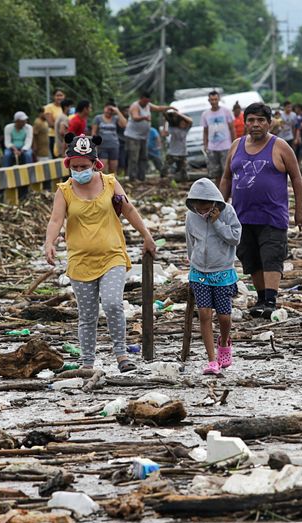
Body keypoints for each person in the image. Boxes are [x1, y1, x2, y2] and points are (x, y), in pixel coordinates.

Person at [44, 133, 157, 372]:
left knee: (113, 303)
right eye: (74, 167)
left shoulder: (110, 183)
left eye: (84, 166)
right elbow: (55, 220)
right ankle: (87, 362)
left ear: (95, 164)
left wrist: (147, 236)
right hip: (80, 261)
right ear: (68, 166)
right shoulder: (64, 191)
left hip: (112, 256)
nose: (79, 170)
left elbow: (129, 209)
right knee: (87, 314)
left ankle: (121, 356)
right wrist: (49, 242)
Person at [219, 103, 302, 318]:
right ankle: (260, 298)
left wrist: (300, 209)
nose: (255, 124)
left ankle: (270, 300)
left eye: (260, 120)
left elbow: (296, 178)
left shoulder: (280, 146)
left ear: (269, 123)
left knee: (271, 256)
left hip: (272, 215)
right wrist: (219, 207)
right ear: (245, 123)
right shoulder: (236, 146)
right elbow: (226, 178)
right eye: (251, 120)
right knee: (250, 258)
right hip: (241, 216)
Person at [185, 178, 242, 375]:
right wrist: (193, 261)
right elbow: (190, 242)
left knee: (224, 317)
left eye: (206, 207)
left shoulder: (228, 213)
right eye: (199, 208)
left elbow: (235, 238)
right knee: (204, 315)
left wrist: (217, 223)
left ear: (214, 203)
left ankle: (224, 343)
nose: (203, 212)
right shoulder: (191, 217)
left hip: (223, 271)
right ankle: (211, 360)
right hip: (199, 272)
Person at [125, 91, 175, 181]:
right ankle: (132, 177)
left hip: (143, 136)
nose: (146, 103)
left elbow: (159, 108)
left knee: (143, 157)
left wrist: (169, 107)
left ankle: (142, 177)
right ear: (141, 99)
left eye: (148, 101)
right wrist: (144, 118)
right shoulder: (135, 106)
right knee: (134, 157)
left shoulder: (148, 105)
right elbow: (135, 117)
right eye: (145, 101)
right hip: (133, 136)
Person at [201, 91, 236, 181]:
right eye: (212, 100)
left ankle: (229, 193)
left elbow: (232, 128)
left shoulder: (226, 111)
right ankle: (219, 192)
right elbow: (205, 131)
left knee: (227, 172)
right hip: (212, 148)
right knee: (216, 173)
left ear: (219, 99)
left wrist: (235, 144)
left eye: (215, 99)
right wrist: (205, 145)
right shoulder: (205, 114)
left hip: (226, 146)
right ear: (209, 100)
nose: (214, 102)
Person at [91, 101, 127, 174]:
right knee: (102, 169)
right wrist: (94, 146)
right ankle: (102, 184)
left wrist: (117, 111)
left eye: (111, 110)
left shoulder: (116, 118)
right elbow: (94, 132)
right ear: (104, 108)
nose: (109, 111)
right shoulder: (98, 118)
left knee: (113, 169)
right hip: (102, 146)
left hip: (114, 146)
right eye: (108, 109)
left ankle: (112, 184)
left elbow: (124, 124)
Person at [165, 110, 193, 180]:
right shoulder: (173, 129)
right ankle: (165, 179)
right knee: (165, 168)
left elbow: (190, 121)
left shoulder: (185, 130)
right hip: (172, 152)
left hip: (182, 153)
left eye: (185, 123)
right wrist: (165, 121)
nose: (184, 124)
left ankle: (181, 180)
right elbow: (165, 132)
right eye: (182, 122)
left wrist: (179, 114)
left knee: (183, 170)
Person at [44, 89, 66, 156]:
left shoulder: (66, 107)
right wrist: (63, 128)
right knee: (56, 157)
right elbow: (50, 123)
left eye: (61, 95)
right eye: (57, 95)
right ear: (53, 97)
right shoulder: (48, 107)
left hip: (66, 137)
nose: (59, 97)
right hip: (54, 136)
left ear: (64, 96)